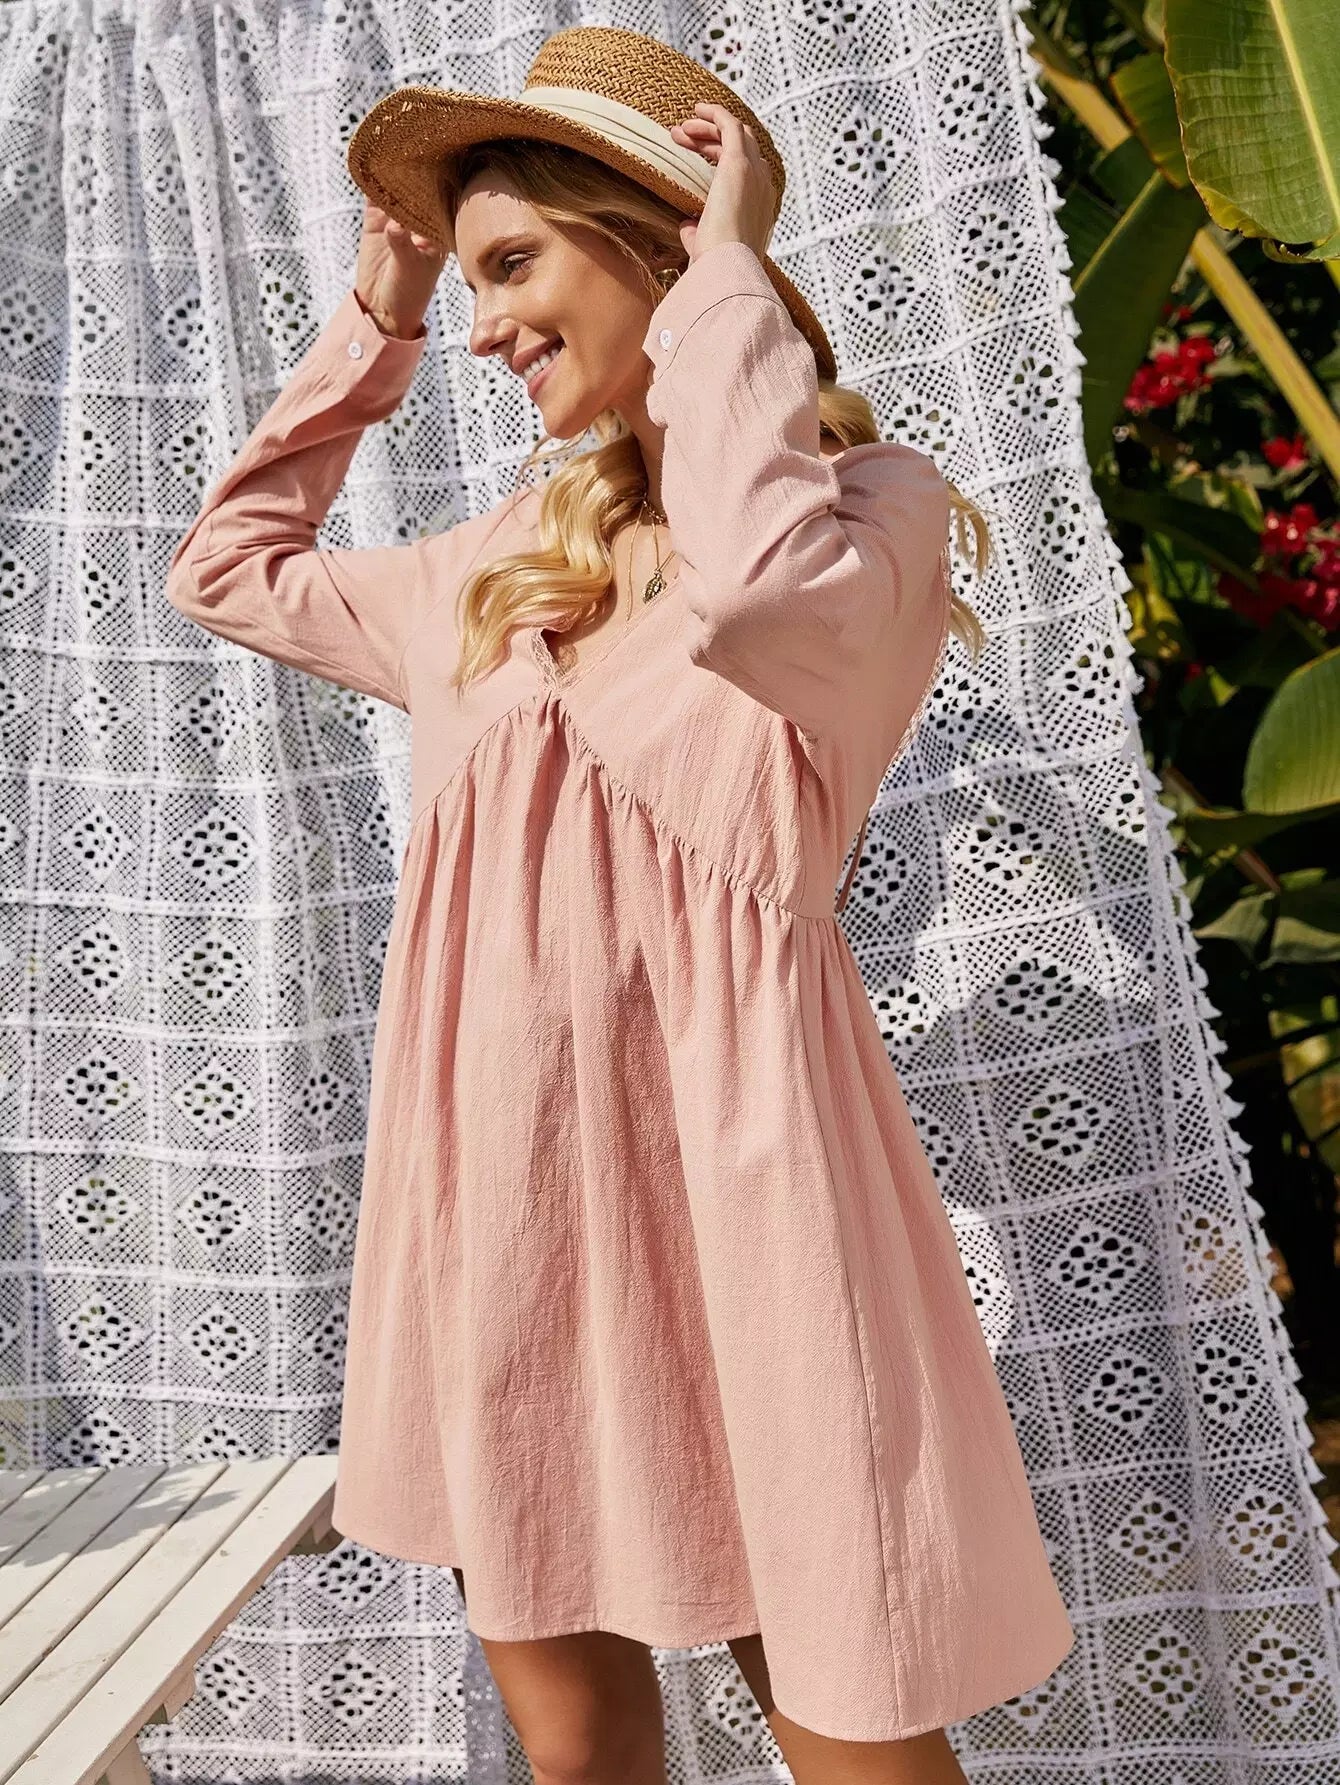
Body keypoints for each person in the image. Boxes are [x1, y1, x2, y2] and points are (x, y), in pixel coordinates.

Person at [165, 25, 1073, 1785]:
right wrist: (379, 319)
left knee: (859, 1732)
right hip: (502, 1206)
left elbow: (755, 601)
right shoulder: (488, 570)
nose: (486, 325)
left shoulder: (861, 521)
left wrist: (730, 277)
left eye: (513, 264)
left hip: (749, 1208)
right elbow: (226, 569)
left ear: (650, 237)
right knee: (575, 1746)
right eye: (470, 280)